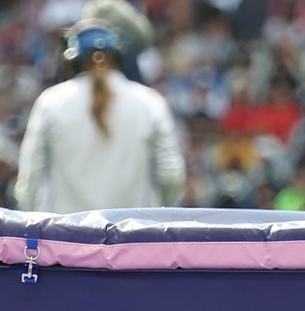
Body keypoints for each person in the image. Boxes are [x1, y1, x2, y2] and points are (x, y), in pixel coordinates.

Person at [14, 19, 185, 213]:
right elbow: (171, 175)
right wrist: (152, 210)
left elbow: (30, 177)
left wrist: (32, 217)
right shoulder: (150, 102)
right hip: (131, 235)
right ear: (119, 59)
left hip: (65, 237)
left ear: (71, 62)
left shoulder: (51, 102)